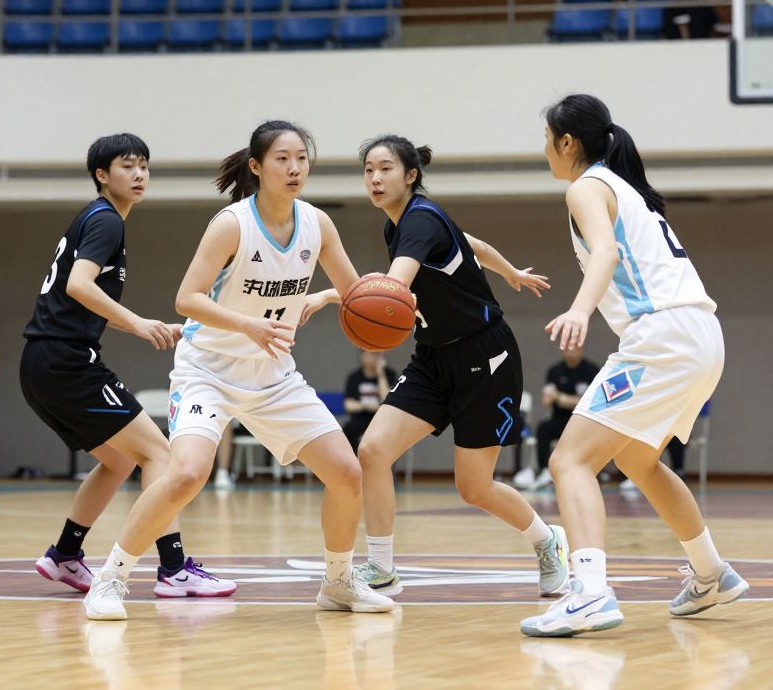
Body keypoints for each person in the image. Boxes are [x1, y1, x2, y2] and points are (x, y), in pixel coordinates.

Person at [81, 120, 395, 620]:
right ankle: (111, 578)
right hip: (208, 370)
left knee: (346, 472)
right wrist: (249, 325)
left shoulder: (318, 224)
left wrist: (377, 300)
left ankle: (338, 581)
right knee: (185, 474)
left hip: (272, 374)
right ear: (256, 166)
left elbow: (355, 292)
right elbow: (187, 299)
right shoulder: (232, 224)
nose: (295, 168)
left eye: (302, 158)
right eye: (282, 159)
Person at [520, 94, 748, 638]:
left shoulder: (586, 186)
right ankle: (710, 571)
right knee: (639, 461)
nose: (543, 148)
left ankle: (590, 594)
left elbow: (606, 254)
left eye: (546, 137)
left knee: (569, 462)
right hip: (700, 335)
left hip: (662, 338)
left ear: (567, 142)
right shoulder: (625, 189)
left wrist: (578, 310)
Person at [306, 134, 567, 601]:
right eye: (368, 170)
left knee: (474, 487)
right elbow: (470, 242)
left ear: (410, 175)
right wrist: (509, 271)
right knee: (373, 450)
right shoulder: (399, 225)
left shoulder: (421, 219)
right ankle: (382, 568)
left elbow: (393, 288)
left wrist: (330, 294)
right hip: (433, 356)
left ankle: (548, 543)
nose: (374, 178)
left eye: (385, 168)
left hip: (484, 356)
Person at [20, 133, 234, 600]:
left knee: (117, 460)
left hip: (44, 362)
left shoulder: (94, 220)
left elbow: (81, 300)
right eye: (126, 166)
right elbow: (79, 285)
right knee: (159, 454)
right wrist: (139, 324)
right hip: (66, 361)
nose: (138, 174)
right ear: (102, 175)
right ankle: (174, 568)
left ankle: (64, 555)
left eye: (143, 166)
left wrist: (153, 326)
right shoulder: (106, 221)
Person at [513, 344, 598, 490]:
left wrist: (560, 397)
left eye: (575, 347)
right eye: (568, 347)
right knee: (543, 428)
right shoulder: (555, 371)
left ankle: (585, 473)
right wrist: (562, 399)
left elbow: (588, 402)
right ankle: (544, 471)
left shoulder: (591, 370)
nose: (571, 350)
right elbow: (546, 400)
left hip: (581, 421)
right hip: (559, 420)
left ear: (581, 349)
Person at [342, 351, 396, 454]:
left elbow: (387, 400)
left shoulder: (389, 375)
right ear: (362, 357)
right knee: (349, 428)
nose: (373, 358)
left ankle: (385, 465)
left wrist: (381, 374)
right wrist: (366, 406)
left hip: (382, 419)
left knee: (389, 433)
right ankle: (354, 461)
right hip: (361, 418)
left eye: (376, 354)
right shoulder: (354, 377)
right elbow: (349, 405)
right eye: (369, 354)